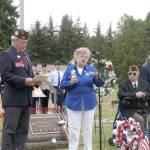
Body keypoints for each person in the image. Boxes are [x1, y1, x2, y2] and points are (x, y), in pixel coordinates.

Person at [0, 28, 40, 150]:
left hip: (26, 99)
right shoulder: (7, 54)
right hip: (13, 101)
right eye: (22, 42)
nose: (25, 44)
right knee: (10, 132)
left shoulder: (25, 55)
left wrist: (35, 80)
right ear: (15, 41)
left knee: (23, 131)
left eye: (26, 42)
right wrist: (24, 81)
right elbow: (5, 75)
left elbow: (28, 73)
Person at [61, 47, 105, 150]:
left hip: (89, 103)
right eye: (81, 56)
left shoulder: (91, 69)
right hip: (73, 104)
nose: (84, 58)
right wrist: (70, 83)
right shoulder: (69, 69)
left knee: (88, 130)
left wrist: (99, 77)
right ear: (76, 57)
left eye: (86, 57)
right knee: (74, 130)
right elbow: (62, 85)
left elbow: (100, 83)